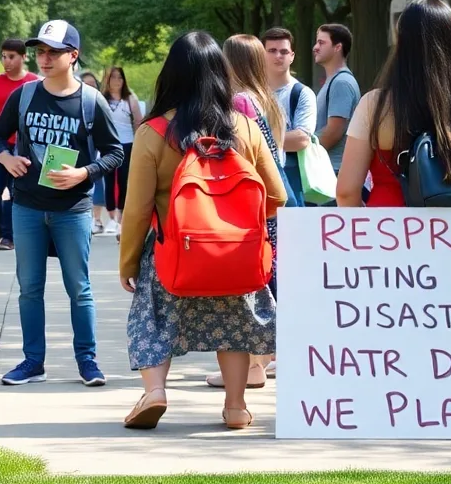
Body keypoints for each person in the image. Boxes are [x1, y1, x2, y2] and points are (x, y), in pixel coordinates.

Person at [120, 31, 288, 430]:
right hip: (234, 254)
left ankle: (156, 391)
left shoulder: (153, 133)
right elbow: (277, 195)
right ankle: (235, 407)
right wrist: (238, 224)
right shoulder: (244, 128)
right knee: (232, 328)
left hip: (171, 252)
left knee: (154, 320)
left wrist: (128, 260)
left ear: (171, 75)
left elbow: (138, 210)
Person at [0, 21, 124, 387]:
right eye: (40, 51)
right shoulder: (26, 95)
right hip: (27, 206)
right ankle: (33, 361)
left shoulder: (91, 101)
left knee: (79, 288)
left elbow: (114, 154)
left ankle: (88, 361)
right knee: (29, 287)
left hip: (73, 210)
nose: (44, 58)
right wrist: (6, 159)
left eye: (53, 52)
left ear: (73, 56)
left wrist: (84, 173)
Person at [336, 0, 451, 208]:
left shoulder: (375, 105)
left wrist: (366, 228)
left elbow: (346, 192)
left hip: (390, 231)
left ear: (402, 43)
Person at [204, 33, 287, 391]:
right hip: (275, 197)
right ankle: (265, 359)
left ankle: (253, 366)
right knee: (269, 276)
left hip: (250, 202)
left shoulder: (239, 102)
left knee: (252, 283)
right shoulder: (268, 99)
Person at [0, 38, 39, 250]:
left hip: (22, 146)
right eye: (3, 56)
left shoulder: (34, 83)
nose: (7, 61)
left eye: (11, 57)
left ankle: (9, 236)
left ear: (24, 57)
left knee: (15, 190)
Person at [261, 27, 316, 205]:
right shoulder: (251, 92)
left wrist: (257, 141)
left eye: (284, 51)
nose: (278, 56)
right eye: (272, 51)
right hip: (257, 178)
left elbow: (301, 139)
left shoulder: (302, 93)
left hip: (291, 179)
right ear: (262, 54)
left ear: (292, 56)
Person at [313, 24, 359, 174]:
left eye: (321, 42)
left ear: (337, 47)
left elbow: (334, 131)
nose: (315, 47)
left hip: (333, 171)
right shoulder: (333, 80)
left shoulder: (341, 82)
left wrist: (303, 151)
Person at [101, 66, 142, 236]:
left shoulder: (130, 99)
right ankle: (111, 217)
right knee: (109, 181)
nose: (117, 81)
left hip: (127, 143)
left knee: (124, 181)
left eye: (120, 77)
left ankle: (122, 217)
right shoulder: (102, 99)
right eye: (113, 77)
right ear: (107, 80)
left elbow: (138, 121)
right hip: (108, 144)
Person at [80, 72, 110, 232]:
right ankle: (87, 218)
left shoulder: (100, 102)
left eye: (93, 84)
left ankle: (97, 219)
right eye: (86, 84)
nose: (90, 87)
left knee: (98, 183)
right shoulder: (76, 102)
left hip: (98, 149)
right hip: (82, 150)